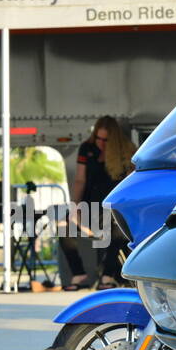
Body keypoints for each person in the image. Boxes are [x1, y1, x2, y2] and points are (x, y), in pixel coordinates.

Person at [60, 116, 136, 289]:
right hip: (89, 206)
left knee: (119, 230)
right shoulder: (87, 148)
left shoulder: (126, 151)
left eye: (105, 140)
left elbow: (131, 183)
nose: (100, 143)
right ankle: (78, 274)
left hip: (113, 208)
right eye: (98, 138)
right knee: (64, 227)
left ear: (114, 139)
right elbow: (80, 180)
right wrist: (75, 208)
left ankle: (107, 276)